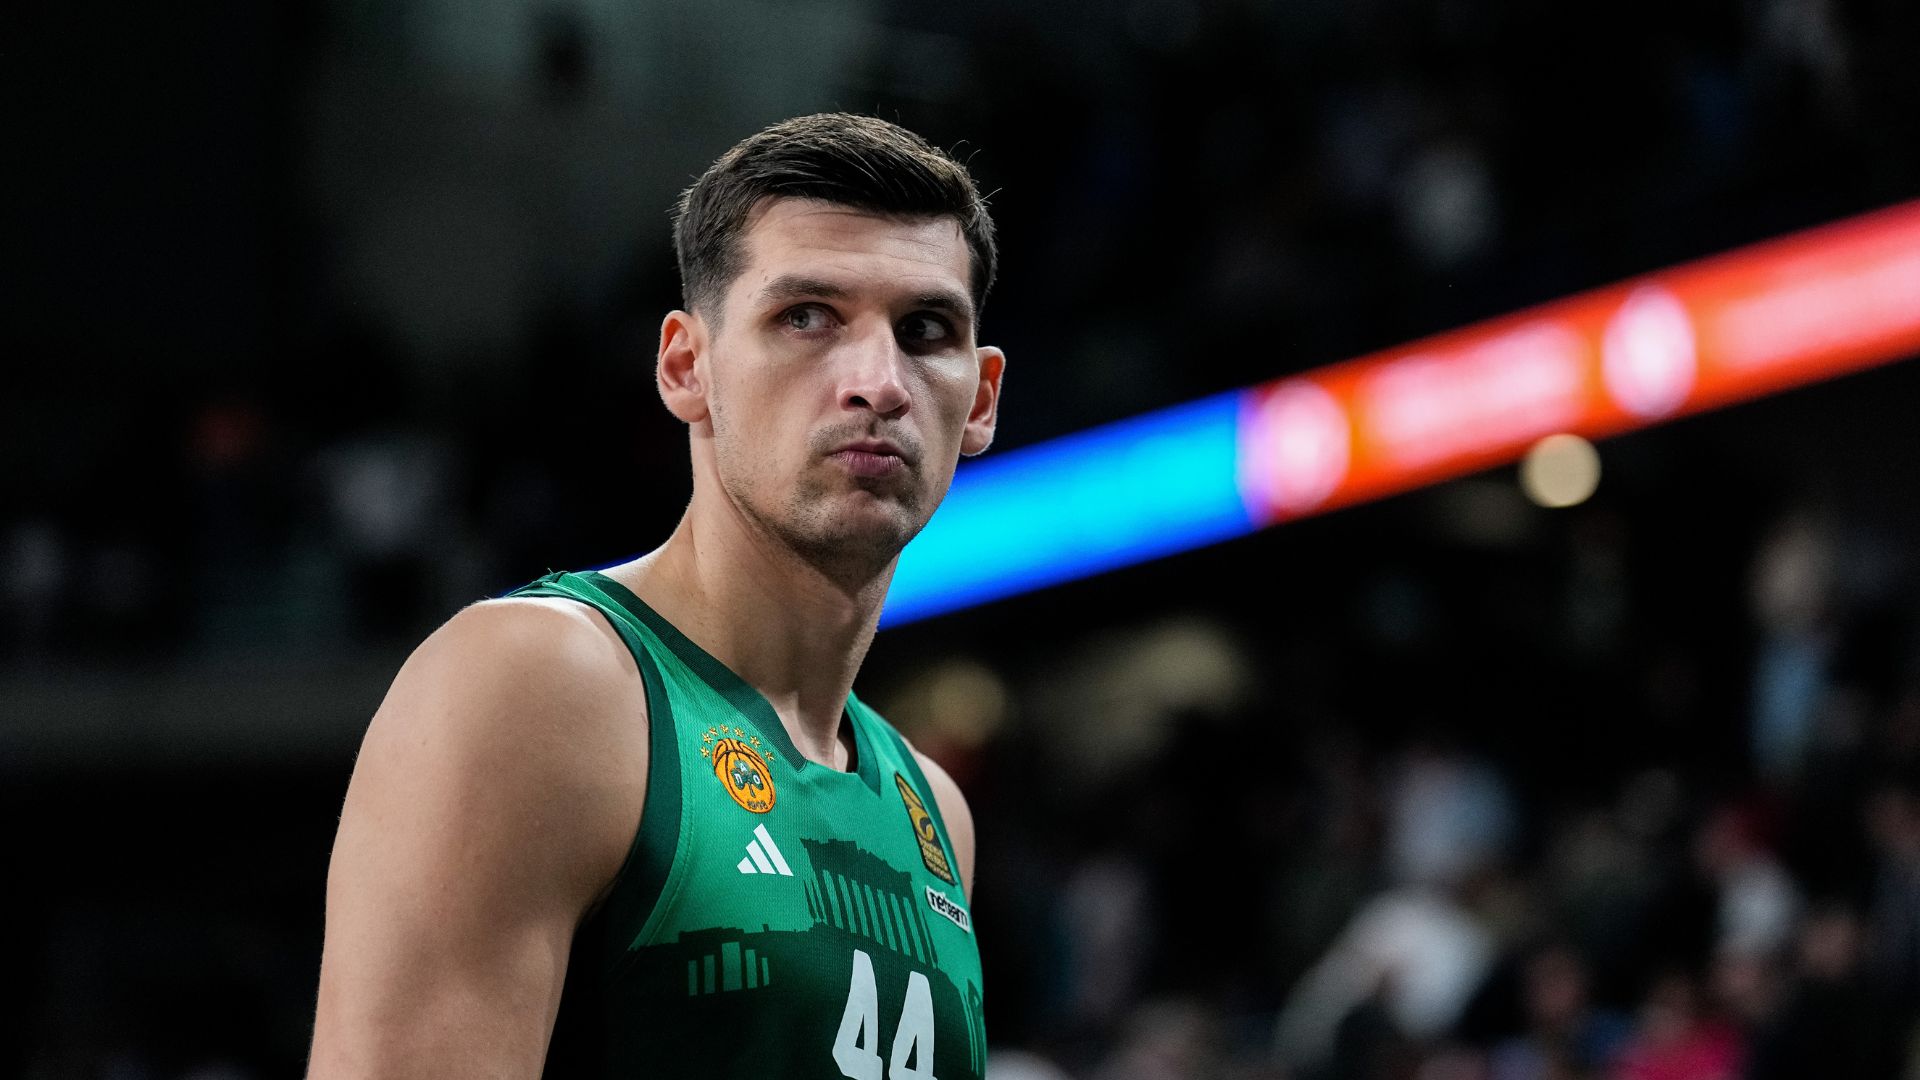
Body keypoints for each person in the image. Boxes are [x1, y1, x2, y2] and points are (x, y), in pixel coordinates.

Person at [309, 113, 1005, 1079]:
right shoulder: (536, 685)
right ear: (687, 367)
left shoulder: (935, 813)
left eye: (925, 330)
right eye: (806, 317)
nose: (878, 383)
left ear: (980, 399)